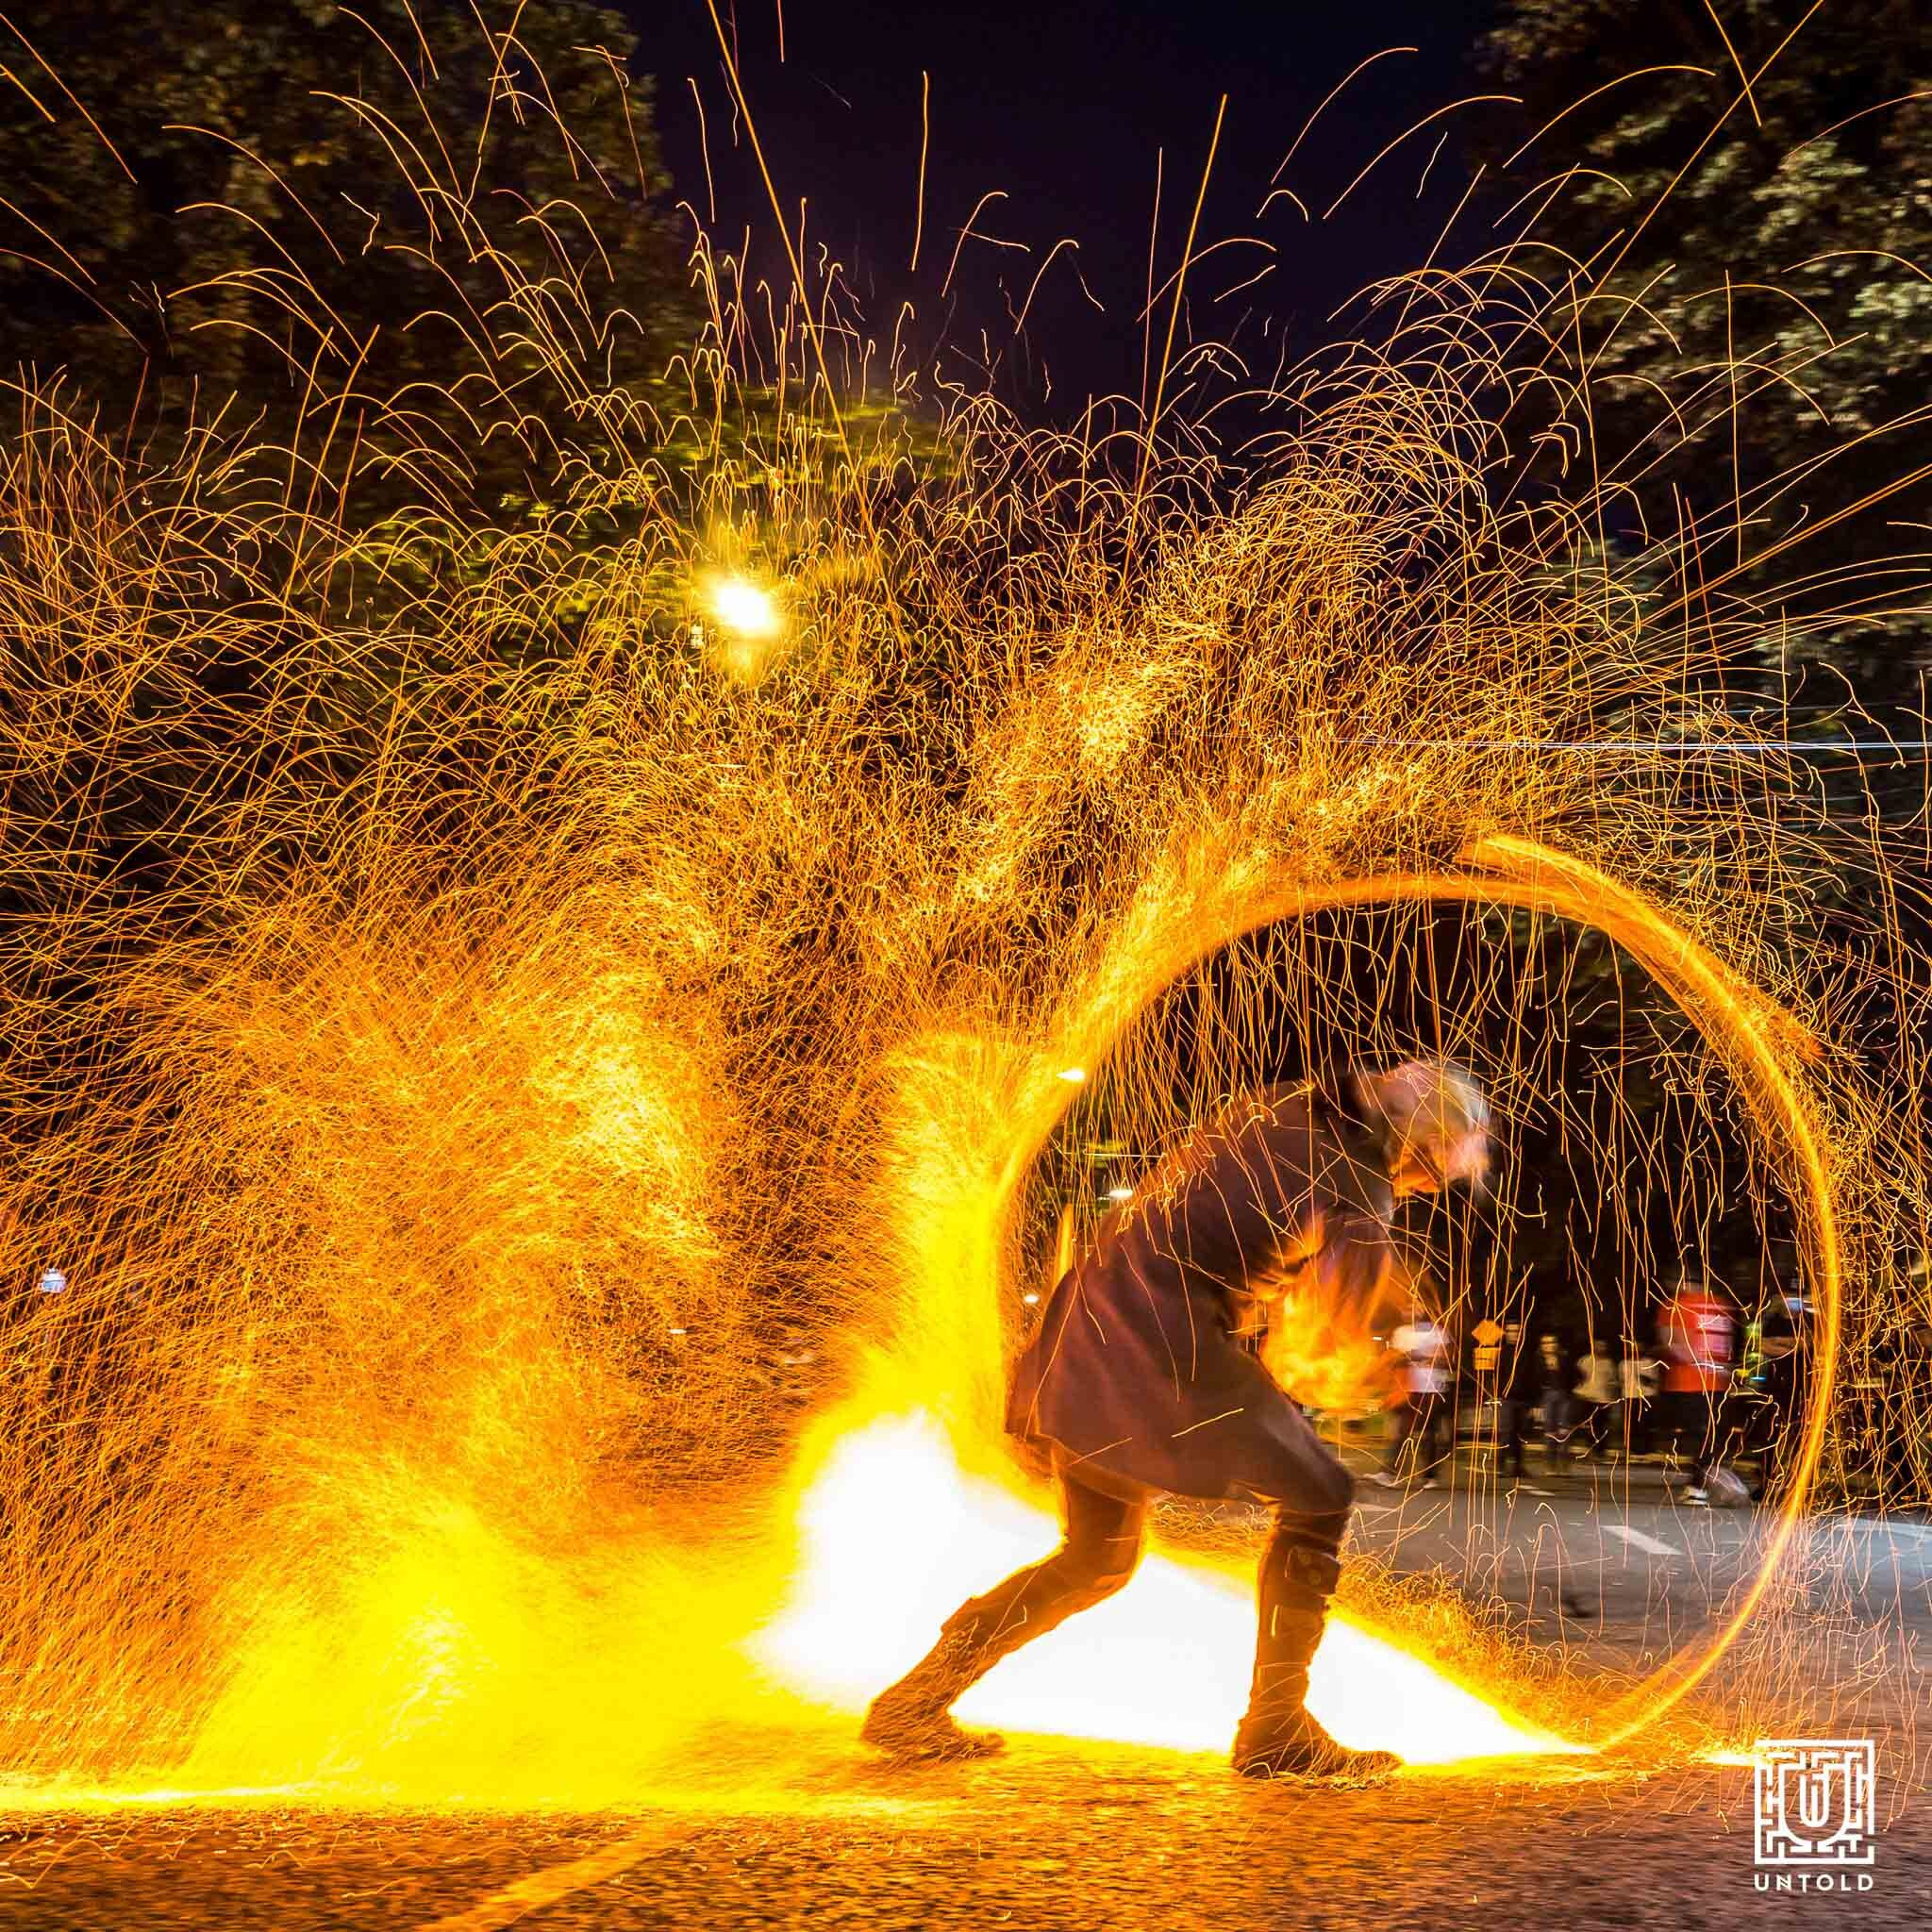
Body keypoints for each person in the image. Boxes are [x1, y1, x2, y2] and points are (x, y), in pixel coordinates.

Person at [861, 1060, 1493, 1778]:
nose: (1423, 1190)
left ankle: (914, 1702)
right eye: (1432, 1173)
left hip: (1090, 1322)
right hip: (1162, 1342)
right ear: (1417, 1142)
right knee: (1321, 1497)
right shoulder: (1360, 1186)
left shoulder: (1282, 1103)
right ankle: (1276, 1729)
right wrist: (1383, 1372)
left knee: (1096, 1557)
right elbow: (1326, 1347)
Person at [1657, 1277, 1737, 1505]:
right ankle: (1703, 1481)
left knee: (1695, 1434)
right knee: (1710, 1434)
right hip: (1718, 1380)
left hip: (1688, 1381)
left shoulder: (1675, 1305)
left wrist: (1694, 1361)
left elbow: (1670, 1341)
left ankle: (1699, 1484)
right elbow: (1729, 1344)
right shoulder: (1722, 1305)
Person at [1378, 1307, 1454, 1490]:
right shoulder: (1402, 1332)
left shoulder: (1437, 1333)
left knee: (1428, 1433)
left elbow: (1443, 1357)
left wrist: (1419, 1357)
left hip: (1431, 1389)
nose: (1410, 1312)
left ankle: (1430, 1476)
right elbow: (1394, 1358)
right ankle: (1388, 1473)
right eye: (1408, 1309)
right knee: (1403, 1431)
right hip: (1408, 1390)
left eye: (1415, 1309)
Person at [1572, 1338, 1620, 1462]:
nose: (1601, 1348)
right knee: (1589, 1427)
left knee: (1601, 1427)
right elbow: (1576, 1376)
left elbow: (1613, 1381)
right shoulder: (1584, 1360)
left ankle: (1600, 1452)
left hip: (1603, 1399)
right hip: (1587, 1398)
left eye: (1603, 1346)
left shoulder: (1609, 1363)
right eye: (1598, 1346)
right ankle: (1590, 1451)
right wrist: (1579, 1390)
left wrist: (1612, 1395)